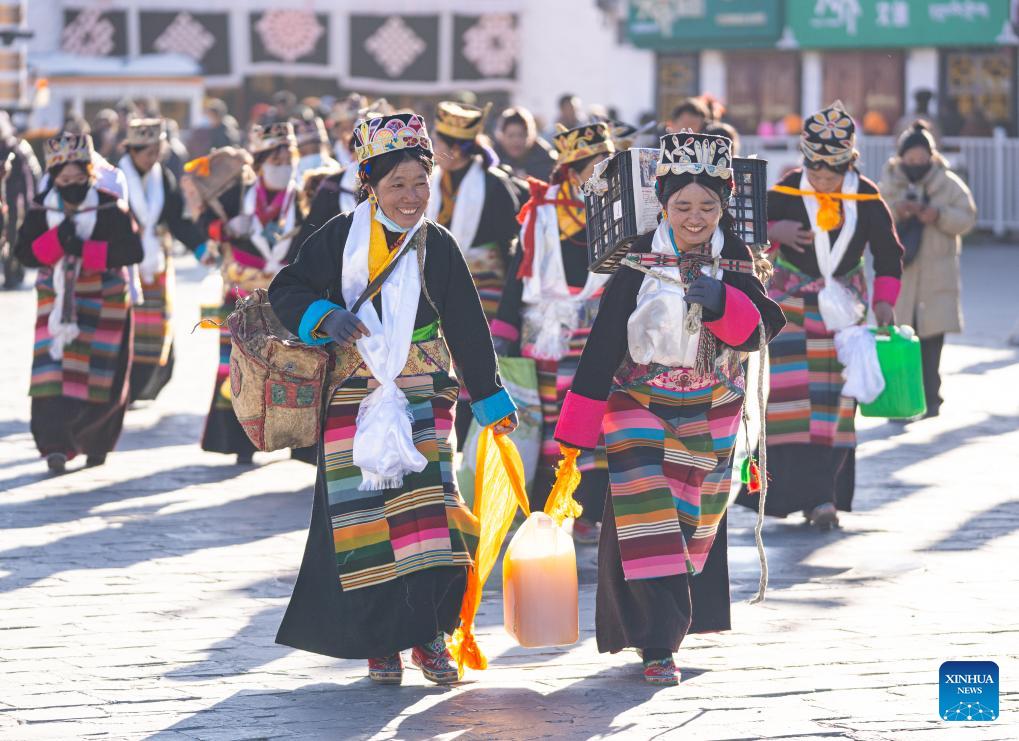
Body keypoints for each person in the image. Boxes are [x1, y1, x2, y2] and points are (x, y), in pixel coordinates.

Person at [268, 110, 517, 685]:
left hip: (425, 400)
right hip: (353, 401)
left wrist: (491, 400)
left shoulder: (439, 246)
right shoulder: (338, 239)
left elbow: (468, 329)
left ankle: (429, 637)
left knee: (430, 519)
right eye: (397, 184)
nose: (411, 196)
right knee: (365, 522)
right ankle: (380, 643)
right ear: (370, 186)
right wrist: (321, 313)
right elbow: (288, 287)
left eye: (420, 182)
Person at [554, 131, 785, 685]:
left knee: (692, 526)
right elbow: (604, 342)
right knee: (648, 522)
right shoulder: (636, 264)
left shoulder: (735, 260)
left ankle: (666, 628)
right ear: (663, 204)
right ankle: (658, 644)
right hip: (638, 404)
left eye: (708, 205)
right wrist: (577, 430)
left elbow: (765, 327)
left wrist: (725, 301)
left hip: (713, 408)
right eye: (683, 205)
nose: (696, 216)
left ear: (724, 204)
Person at [734, 101, 904, 529]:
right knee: (791, 407)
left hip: (843, 313)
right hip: (790, 310)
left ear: (850, 162)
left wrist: (885, 300)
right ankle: (786, 496)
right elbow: (742, 234)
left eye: (832, 170)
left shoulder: (866, 197)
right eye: (816, 168)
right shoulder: (787, 190)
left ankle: (823, 500)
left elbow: (888, 254)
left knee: (835, 408)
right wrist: (775, 233)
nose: (823, 177)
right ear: (805, 158)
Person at [492, 122, 614, 541]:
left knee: (591, 420)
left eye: (607, 164)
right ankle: (545, 508)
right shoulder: (541, 210)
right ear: (573, 169)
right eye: (595, 165)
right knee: (546, 423)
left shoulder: (623, 210)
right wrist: (503, 330)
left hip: (598, 328)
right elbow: (519, 271)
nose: (602, 173)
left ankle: (587, 511)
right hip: (546, 330)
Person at [14, 133, 143, 472]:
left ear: (90, 173)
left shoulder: (110, 205)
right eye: (63, 179)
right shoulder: (42, 207)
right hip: (57, 301)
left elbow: (132, 250)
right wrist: (58, 241)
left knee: (101, 377)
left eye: (77, 179)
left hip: (106, 302)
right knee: (52, 375)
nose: (70, 185)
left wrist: (84, 250)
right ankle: (55, 444)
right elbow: (24, 254)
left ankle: (96, 441)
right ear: (53, 177)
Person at [196, 122, 308, 464]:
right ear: (259, 161)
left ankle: (293, 437)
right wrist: (227, 228)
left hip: (287, 295)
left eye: (288, 155)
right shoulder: (237, 191)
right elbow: (202, 223)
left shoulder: (304, 196)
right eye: (275, 156)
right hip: (242, 296)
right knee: (239, 367)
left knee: (292, 366)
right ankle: (239, 442)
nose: (283, 162)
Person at [880, 122, 976, 418]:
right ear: (901, 159)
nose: (916, 164)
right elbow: (876, 214)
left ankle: (931, 398)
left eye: (922, 159)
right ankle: (903, 399)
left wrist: (939, 215)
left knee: (932, 342)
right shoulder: (890, 182)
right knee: (902, 341)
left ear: (931, 157)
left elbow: (967, 216)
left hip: (937, 275)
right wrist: (899, 210)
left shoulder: (947, 183)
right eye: (911, 159)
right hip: (904, 276)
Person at [118, 118, 207, 402]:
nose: (153, 157)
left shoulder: (163, 177)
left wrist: (200, 246)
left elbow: (177, 220)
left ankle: (146, 385)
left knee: (156, 325)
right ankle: (121, 385)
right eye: (148, 152)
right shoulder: (114, 178)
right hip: (123, 262)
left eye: (158, 151)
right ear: (132, 150)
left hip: (155, 260)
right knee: (124, 324)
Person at [0, 112, 42, 288]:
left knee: (14, 237)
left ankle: (14, 273)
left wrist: (30, 202)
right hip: (4, 201)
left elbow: (31, 176)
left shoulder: (18, 147)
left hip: (16, 201)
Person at [493, 106, 557, 180]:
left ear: (530, 136)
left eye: (521, 135)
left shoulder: (546, 159)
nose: (516, 141)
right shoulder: (493, 160)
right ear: (501, 136)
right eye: (511, 136)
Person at [292, 115, 339, 180]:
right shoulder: (293, 173)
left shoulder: (334, 166)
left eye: (314, 143)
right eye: (305, 145)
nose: (310, 148)